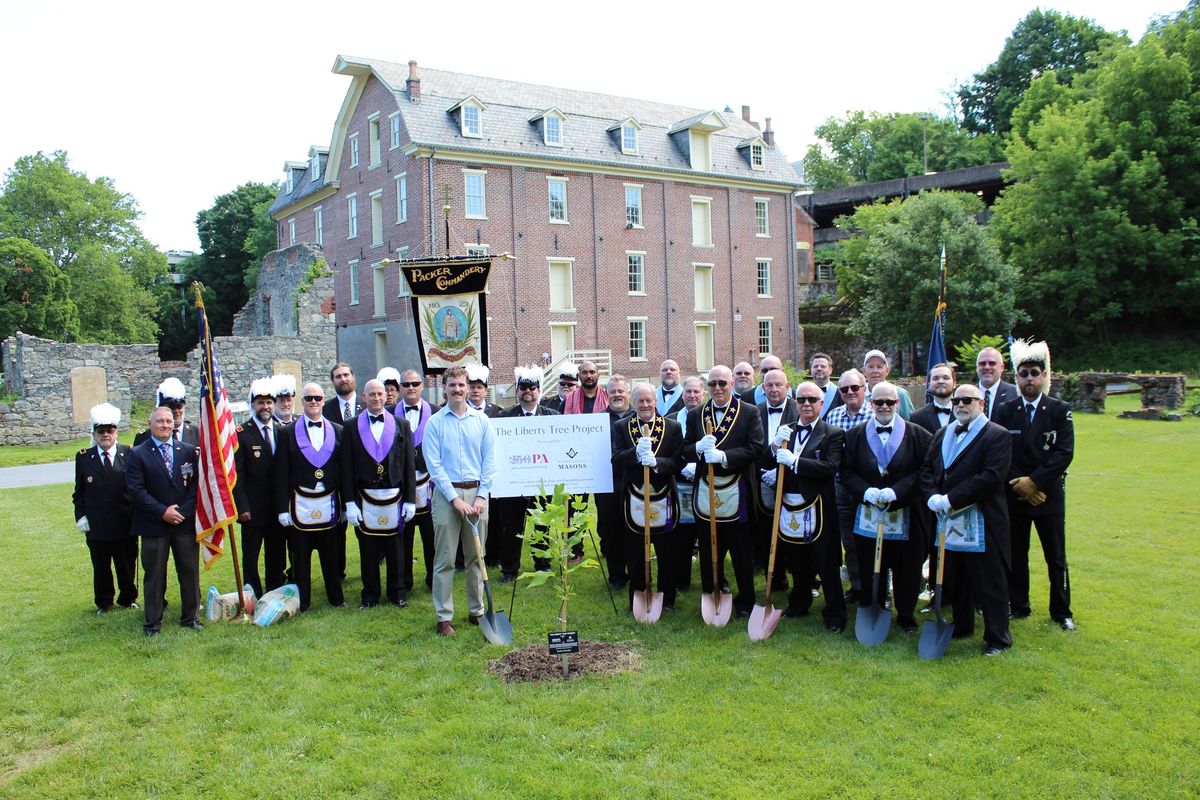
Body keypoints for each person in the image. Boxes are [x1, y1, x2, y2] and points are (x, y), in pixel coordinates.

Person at [920, 385, 1013, 656]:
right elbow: (927, 469)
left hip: (982, 520)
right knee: (955, 577)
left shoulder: (997, 435)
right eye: (957, 400)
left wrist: (951, 499)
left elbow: (991, 477)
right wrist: (932, 496)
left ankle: (998, 637)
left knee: (989, 582)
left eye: (967, 400)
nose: (960, 404)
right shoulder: (942, 433)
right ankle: (962, 626)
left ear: (981, 403)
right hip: (948, 522)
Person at [993, 339, 1076, 631]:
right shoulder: (1005, 410)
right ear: (1016, 377)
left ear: (1044, 376)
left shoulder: (1059, 409)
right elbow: (1001, 451)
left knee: (1056, 557)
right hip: (1015, 495)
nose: (1029, 379)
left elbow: (1064, 453)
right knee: (1017, 555)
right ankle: (1019, 605)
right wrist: (1021, 485)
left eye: (1034, 373)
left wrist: (1036, 482)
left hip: (1048, 496)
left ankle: (1061, 610)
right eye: (1024, 373)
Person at [840, 381, 934, 633]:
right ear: (871, 403)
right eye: (879, 402)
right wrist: (865, 491)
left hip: (907, 512)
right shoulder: (854, 435)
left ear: (898, 403)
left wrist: (897, 491)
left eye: (889, 402)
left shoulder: (919, 435)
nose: (884, 406)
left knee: (908, 568)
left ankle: (905, 615)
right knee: (872, 565)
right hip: (868, 513)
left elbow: (924, 472)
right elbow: (847, 473)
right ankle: (875, 608)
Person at [681, 364, 763, 617]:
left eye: (722, 383)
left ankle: (746, 599)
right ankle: (712, 590)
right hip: (706, 488)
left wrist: (724, 455)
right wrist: (697, 448)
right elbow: (683, 450)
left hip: (737, 487)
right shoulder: (697, 415)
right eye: (712, 384)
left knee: (741, 548)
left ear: (731, 384)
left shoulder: (749, 412)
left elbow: (756, 447)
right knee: (707, 545)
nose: (717, 388)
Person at [765, 381, 847, 632]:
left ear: (821, 403)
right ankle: (799, 603)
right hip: (789, 505)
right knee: (797, 560)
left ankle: (835, 613)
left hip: (818, 507)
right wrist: (775, 446)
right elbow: (770, 459)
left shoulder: (832, 433)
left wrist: (796, 462)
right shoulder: (786, 428)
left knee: (826, 562)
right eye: (801, 400)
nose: (807, 404)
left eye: (812, 399)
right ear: (795, 402)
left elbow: (830, 468)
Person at [422, 366, 497, 636]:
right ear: (445, 388)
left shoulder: (482, 421)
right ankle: (444, 616)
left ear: (468, 388)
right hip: (446, 496)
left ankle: (477, 611)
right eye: (452, 385)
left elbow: (489, 462)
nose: (457, 389)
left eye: (461, 385)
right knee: (444, 559)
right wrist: (455, 499)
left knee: (477, 557)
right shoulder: (435, 423)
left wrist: (480, 496)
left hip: (477, 497)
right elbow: (434, 465)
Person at [341, 379, 417, 609]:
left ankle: (397, 592)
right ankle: (370, 595)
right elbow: (346, 467)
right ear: (363, 398)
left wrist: (410, 500)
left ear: (387, 396)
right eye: (371, 394)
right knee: (368, 550)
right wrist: (349, 503)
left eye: (380, 394)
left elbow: (409, 466)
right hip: (365, 498)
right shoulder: (351, 426)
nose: (376, 398)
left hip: (395, 497)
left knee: (396, 549)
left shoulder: (401, 424)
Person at [126, 406, 200, 636]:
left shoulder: (187, 451)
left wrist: (183, 512)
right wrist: (162, 512)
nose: (165, 425)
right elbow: (136, 490)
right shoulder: (138, 453)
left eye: (169, 421)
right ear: (150, 424)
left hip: (184, 524)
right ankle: (153, 624)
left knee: (189, 573)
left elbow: (196, 487)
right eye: (160, 421)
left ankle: (191, 618)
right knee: (155, 577)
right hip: (153, 525)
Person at [275, 382, 346, 611]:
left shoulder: (337, 430)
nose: (313, 402)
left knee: (332, 556)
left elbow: (342, 470)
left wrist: (346, 506)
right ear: (302, 402)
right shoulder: (287, 433)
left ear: (324, 400)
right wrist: (282, 509)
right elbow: (281, 473)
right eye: (308, 399)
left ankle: (336, 598)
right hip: (300, 504)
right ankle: (302, 601)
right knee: (300, 559)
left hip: (330, 503)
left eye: (317, 398)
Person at [613, 383, 684, 610]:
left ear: (655, 401)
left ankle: (667, 599)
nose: (645, 404)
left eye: (649, 400)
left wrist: (657, 463)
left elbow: (678, 462)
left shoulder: (672, 427)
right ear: (634, 403)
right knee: (634, 552)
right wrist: (635, 453)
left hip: (664, 497)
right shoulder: (622, 426)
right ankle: (638, 596)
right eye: (640, 400)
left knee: (667, 552)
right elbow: (616, 459)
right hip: (634, 498)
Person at [495, 366, 559, 581]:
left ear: (539, 390)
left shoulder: (553, 417)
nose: (527, 391)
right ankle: (509, 569)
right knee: (511, 527)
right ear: (518, 390)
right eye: (522, 387)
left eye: (532, 387)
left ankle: (543, 565)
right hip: (513, 483)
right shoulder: (504, 418)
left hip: (542, 482)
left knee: (542, 524)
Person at [73, 402, 137, 614]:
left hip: (124, 523)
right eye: (101, 431)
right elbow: (79, 493)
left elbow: (136, 488)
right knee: (101, 567)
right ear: (94, 433)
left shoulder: (128, 454)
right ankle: (104, 602)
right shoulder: (83, 458)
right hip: (97, 524)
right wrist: (81, 516)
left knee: (126, 564)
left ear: (116, 431)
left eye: (110, 430)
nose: (106, 435)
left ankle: (128, 599)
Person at [232, 378, 287, 598]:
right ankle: (252, 594)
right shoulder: (241, 433)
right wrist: (242, 506)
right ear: (252, 404)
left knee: (276, 554)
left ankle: (274, 591)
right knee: (251, 557)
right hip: (252, 509)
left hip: (277, 508)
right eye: (260, 402)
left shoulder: (283, 430)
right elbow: (237, 475)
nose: (265, 407)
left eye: (269, 402)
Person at [825, 370, 874, 602]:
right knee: (850, 541)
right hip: (841, 488)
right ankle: (857, 587)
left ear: (865, 388)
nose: (850, 392)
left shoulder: (877, 412)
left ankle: (878, 590)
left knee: (874, 541)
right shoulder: (833, 416)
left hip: (871, 489)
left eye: (855, 388)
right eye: (844, 389)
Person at [755, 368, 798, 581]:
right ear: (763, 389)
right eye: (769, 385)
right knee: (766, 529)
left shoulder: (799, 410)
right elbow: (753, 448)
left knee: (792, 527)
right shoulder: (755, 411)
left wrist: (783, 470)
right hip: (762, 478)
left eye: (778, 385)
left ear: (787, 387)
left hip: (792, 479)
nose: (774, 389)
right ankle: (775, 575)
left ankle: (802, 575)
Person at [396, 369, 436, 591]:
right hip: (402, 488)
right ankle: (405, 582)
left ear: (422, 386)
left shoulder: (437, 412)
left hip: (430, 486)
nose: (411, 387)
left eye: (415, 383)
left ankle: (433, 580)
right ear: (400, 388)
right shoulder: (391, 413)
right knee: (404, 540)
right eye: (406, 384)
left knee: (431, 539)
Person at [322, 363, 359, 580]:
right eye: (338, 376)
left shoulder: (368, 404)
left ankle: (374, 565)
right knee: (337, 530)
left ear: (353, 377)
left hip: (364, 479)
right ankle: (338, 572)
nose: (343, 379)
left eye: (346, 374)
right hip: (336, 478)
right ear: (333, 381)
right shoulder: (324, 410)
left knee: (367, 529)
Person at [594, 375, 633, 581]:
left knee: (634, 529)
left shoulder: (640, 416)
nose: (617, 395)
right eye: (613, 392)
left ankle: (636, 571)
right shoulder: (597, 421)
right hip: (607, 484)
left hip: (635, 483)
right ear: (607, 395)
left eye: (621, 391)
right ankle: (617, 575)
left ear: (628, 393)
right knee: (610, 530)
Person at [672, 375, 706, 590]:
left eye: (696, 392)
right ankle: (681, 579)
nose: (692, 396)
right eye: (688, 392)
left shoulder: (710, 416)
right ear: (682, 394)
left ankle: (713, 581)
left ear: (703, 394)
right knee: (682, 535)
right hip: (679, 482)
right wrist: (681, 466)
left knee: (706, 532)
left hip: (705, 482)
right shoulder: (672, 418)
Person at [134, 378, 198, 446]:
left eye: (179, 407)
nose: (176, 411)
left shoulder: (196, 433)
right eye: (172, 407)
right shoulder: (144, 437)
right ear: (160, 408)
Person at [862, 349, 914, 420]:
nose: (875, 371)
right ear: (864, 371)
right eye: (871, 367)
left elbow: (911, 423)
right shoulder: (859, 395)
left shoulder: (901, 394)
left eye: (879, 367)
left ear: (887, 371)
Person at [911, 363, 956, 433]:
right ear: (929, 384)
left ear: (954, 383)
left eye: (946, 378)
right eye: (936, 378)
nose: (940, 381)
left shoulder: (965, 412)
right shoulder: (916, 417)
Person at [976, 346, 1017, 418]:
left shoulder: (1016, 394)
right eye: (982, 363)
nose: (987, 367)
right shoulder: (966, 395)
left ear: (1002, 367)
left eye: (992, 363)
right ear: (977, 367)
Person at [809, 352, 842, 419]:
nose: (819, 368)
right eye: (815, 366)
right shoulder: (804, 393)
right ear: (811, 370)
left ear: (830, 370)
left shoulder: (840, 393)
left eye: (823, 366)